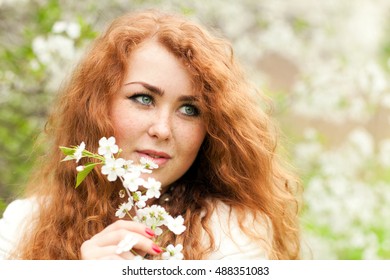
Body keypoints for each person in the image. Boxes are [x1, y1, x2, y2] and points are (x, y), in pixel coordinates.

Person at [0, 9, 301, 260]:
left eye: (189, 110)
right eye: (144, 99)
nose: (162, 129)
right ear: (97, 107)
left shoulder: (235, 234)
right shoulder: (24, 224)